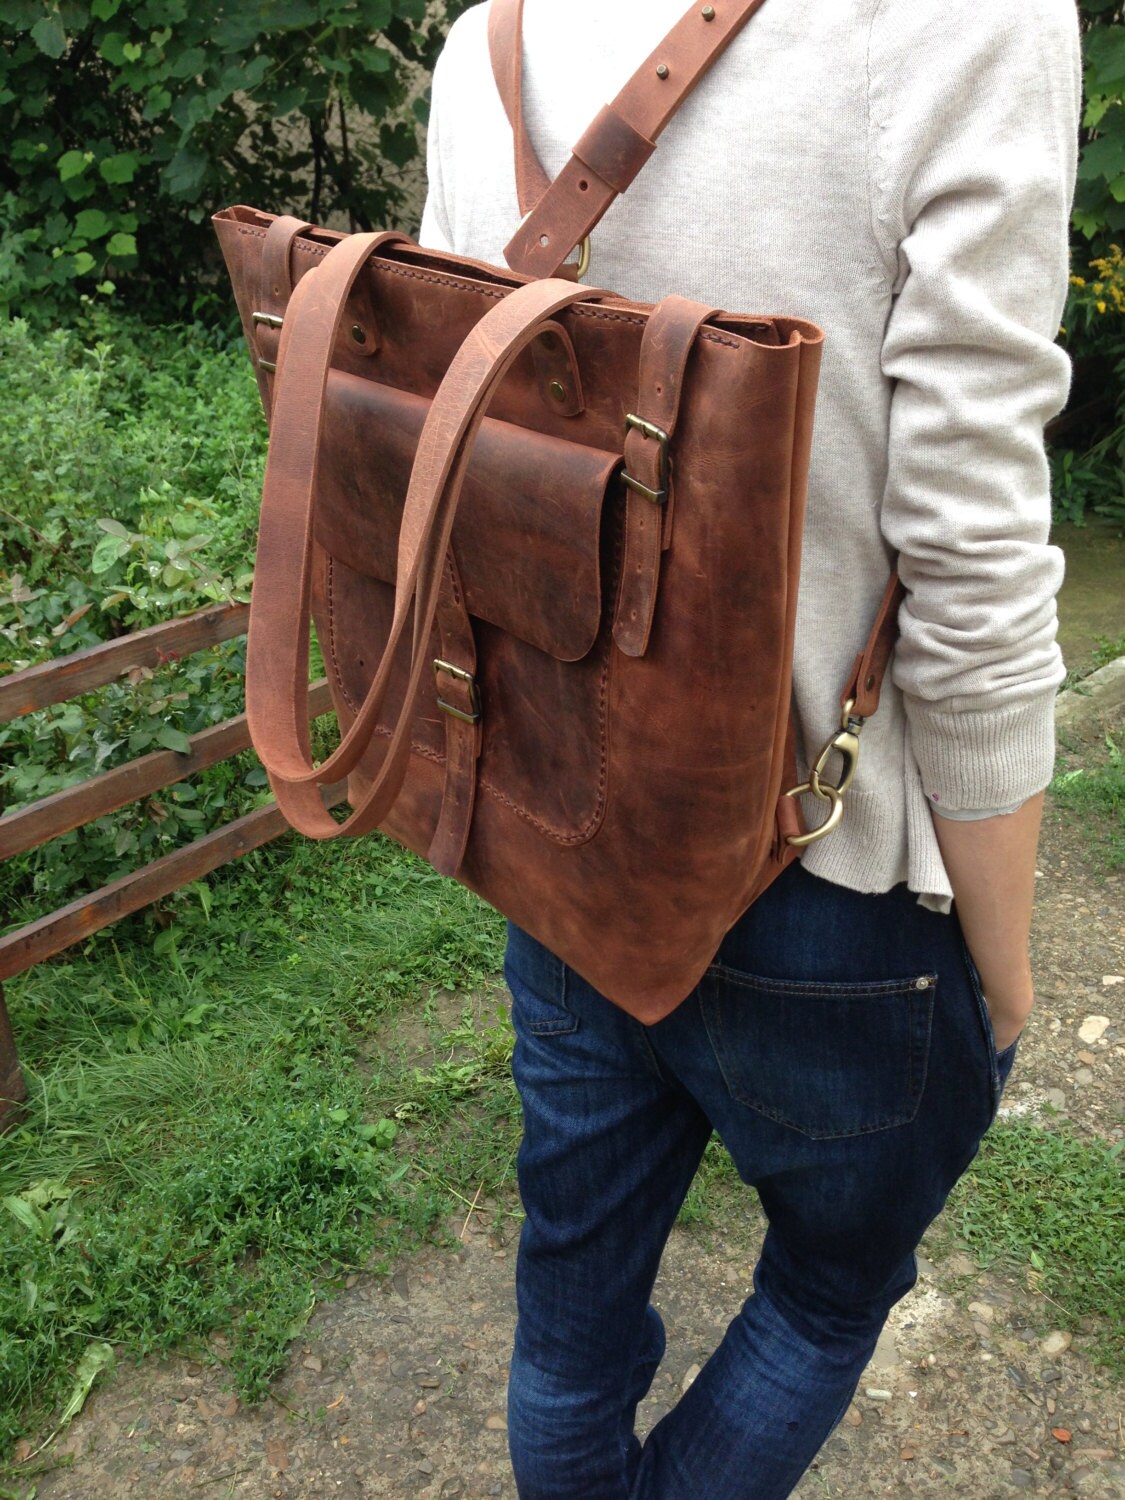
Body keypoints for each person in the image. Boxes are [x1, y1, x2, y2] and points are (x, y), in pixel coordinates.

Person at [419, 1, 1082, 1495]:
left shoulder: (496, 36)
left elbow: (467, 446)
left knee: (573, 1303)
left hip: (564, 835)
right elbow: (968, 543)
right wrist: (1005, 947)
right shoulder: (967, 22)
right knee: (833, 1287)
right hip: (825, 873)